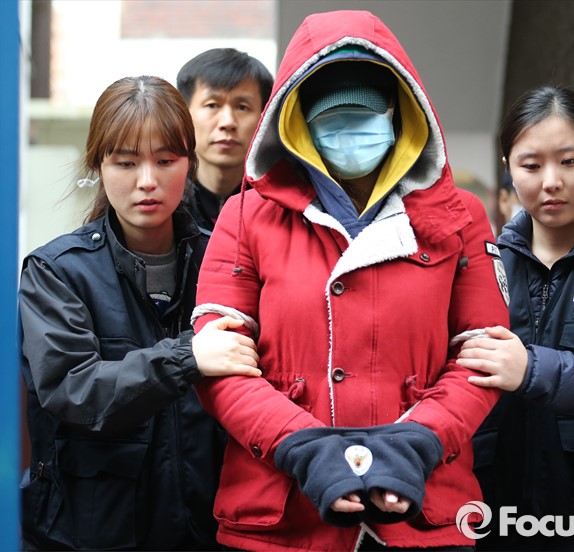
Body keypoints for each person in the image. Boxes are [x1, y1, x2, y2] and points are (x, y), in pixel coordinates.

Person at [191, 10, 511, 552]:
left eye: (366, 114)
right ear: (298, 122)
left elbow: (484, 357)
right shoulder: (244, 216)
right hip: (283, 518)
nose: (350, 130)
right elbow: (218, 363)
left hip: (421, 513)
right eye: (332, 117)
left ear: (401, 113)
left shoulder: (460, 217)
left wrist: (416, 443)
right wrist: (304, 447)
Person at [18, 75, 260, 551]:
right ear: (98, 164)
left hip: (209, 529)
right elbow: (73, 389)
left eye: (166, 161)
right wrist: (188, 357)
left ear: (189, 163)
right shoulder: (57, 271)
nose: (147, 181)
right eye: (126, 162)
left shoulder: (225, 261)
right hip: (89, 534)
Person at [458, 85, 574, 551]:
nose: (551, 181)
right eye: (531, 165)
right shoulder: (482, 268)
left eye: (569, 161)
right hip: (491, 519)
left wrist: (531, 369)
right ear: (509, 168)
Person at [176, 48, 274, 231]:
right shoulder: (166, 201)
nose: (228, 122)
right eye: (212, 105)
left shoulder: (279, 204)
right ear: (184, 114)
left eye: (242, 107)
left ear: (264, 117)